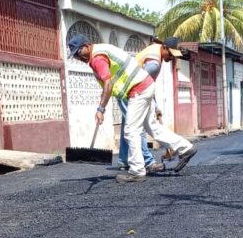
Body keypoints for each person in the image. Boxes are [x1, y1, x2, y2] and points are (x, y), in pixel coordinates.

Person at [68, 33, 196, 183]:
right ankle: (186, 148)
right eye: (75, 55)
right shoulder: (101, 49)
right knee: (152, 128)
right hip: (143, 87)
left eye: (78, 52)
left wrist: (100, 109)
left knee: (130, 131)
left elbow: (108, 84)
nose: (78, 57)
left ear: (86, 46)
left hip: (138, 90)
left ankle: (137, 171)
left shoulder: (97, 58)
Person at [133, 37, 189, 173]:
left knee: (130, 127)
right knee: (136, 128)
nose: (172, 58)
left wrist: (155, 105)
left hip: (133, 90)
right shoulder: (154, 64)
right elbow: (144, 85)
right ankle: (147, 161)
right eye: (170, 54)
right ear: (164, 47)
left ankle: (126, 161)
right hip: (132, 92)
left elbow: (146, 85)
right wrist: (155, 105)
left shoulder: (155, 52)